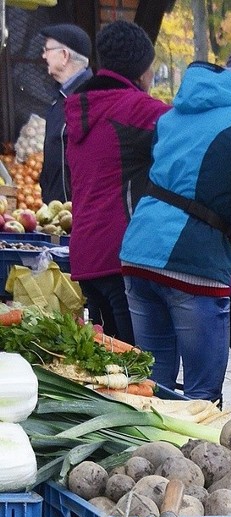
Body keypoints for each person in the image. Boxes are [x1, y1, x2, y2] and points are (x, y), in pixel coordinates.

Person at [120, 19, 231, 401]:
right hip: (192, 263)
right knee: (202, 395)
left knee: (151, 386)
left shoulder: (175, 112)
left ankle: (144, 457)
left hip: (138, 250)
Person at [65, 21, 169, 344]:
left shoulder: (79, 107)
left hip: (84, 255)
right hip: (119, 255)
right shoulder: (135, 108)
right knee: (132, 367)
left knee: (105, 364)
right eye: (151, 69)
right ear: (140, 72)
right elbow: (185, 132)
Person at [39, 24, 92, 204]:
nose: (43, 55)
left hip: (80, 213)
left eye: (47, 50)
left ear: (64, 56)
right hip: (58, 213)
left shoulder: (90, 99)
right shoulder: (59, 99)